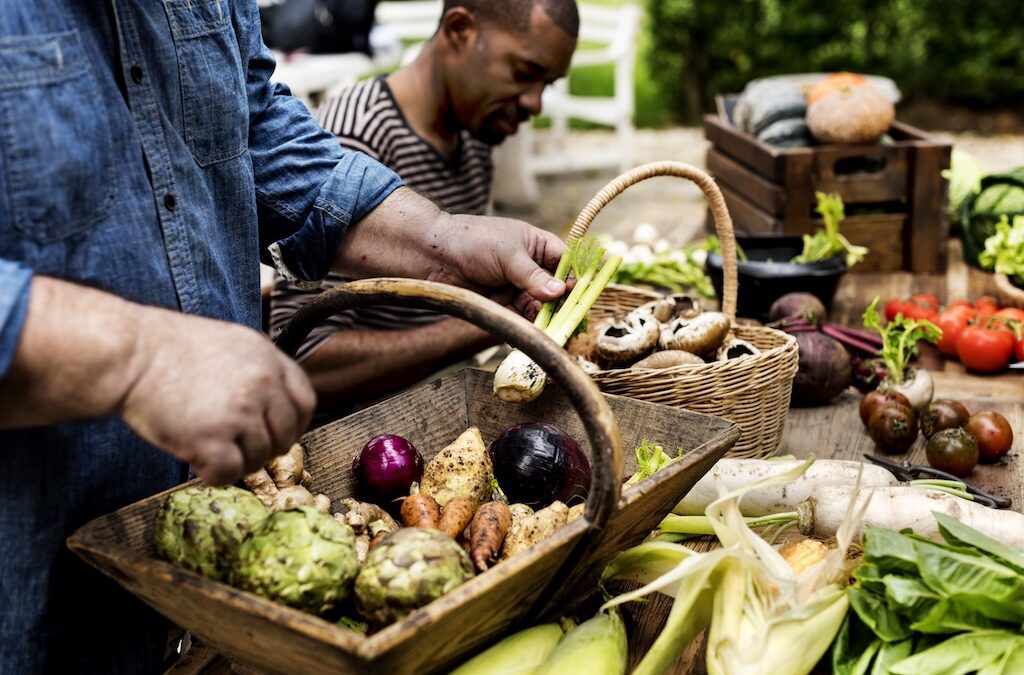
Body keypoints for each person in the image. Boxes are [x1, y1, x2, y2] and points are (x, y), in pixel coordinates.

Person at [0, 2, 566, 672]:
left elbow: (260, 130)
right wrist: (135, 357)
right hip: (33, 588)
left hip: (229, 572)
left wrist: (442, 241)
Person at [271, 0, 578, 414]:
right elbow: (303, 361)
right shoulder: (355, 136)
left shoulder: (471, 131)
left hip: (450, 394)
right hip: (372, 424)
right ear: (460, 30)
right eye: (525, 73)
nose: (536, 103)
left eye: (548, 84)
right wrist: (489, 322)